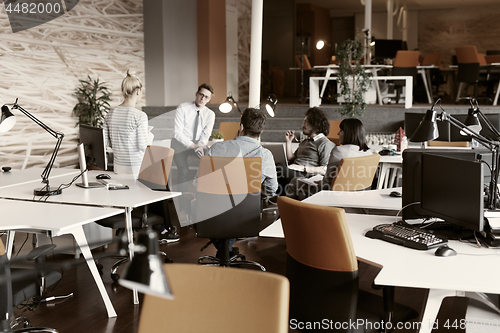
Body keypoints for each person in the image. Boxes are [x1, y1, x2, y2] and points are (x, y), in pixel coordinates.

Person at [105, 69, 179, 242]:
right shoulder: (139, 116)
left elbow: (107, 144)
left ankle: (139, 225)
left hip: (118, 169)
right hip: (137, 170)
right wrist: (149, 134)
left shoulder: (110, 114)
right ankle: (164, 229)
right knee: (162, 180)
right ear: (138, 91)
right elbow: (143, 146)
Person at [207, 107, 278, 255]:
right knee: (240, 200)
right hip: (244, 215)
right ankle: (225, 250)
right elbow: (271, 189)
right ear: (261, 131)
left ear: (241, 127)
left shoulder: (217, 148)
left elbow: (198, 183)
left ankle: (224, 250)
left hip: (209, 212)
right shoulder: (264, 155)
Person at [285, 118, 371, 199]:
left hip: (330, 195)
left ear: (348, 133)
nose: (338, 133)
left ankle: (286, 212)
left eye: (341, 130)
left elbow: (325, 185)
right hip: (357, 194)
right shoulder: (368, 153)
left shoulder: (339, 151)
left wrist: (319, 182)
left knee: (294, 182)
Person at [171, 83, 215, 222]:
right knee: (183, 171)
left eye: (206, 97)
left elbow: (205, 134)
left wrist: (200, 146)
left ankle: (205, 205)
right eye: (201, 94)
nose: (202, 98)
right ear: (196, 94)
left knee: (210, 166)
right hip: (180, 143)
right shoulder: (183, 107)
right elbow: (177, 133)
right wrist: (192, 145)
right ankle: (183, 209)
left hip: (198, 144)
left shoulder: (210, 114)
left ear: (209, 100)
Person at [277, 107, 335, 195]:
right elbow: (291, 158)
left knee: (278, 167)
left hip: (305, 176)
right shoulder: (305, 142)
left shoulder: (325, 143)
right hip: (294, 172)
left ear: (315, 124)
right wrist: (288, 141)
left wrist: (303, 168)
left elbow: (325, 169)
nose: (302, 125)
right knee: (274, 167)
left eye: (305, 122)